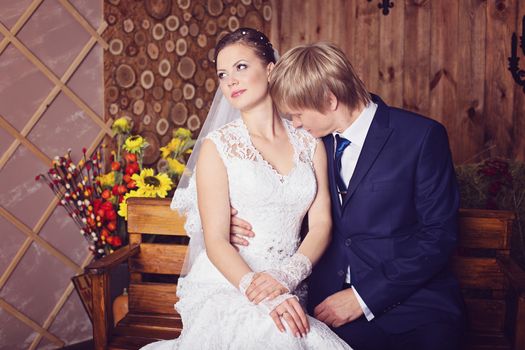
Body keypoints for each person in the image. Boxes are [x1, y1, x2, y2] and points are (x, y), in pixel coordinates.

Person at [231, 42, 465, 350]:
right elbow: (284, 200)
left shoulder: (420, 137)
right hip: (326, 306)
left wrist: (363, 298)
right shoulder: (308, 145)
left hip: (416, 305)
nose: (296, 124)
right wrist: (236, 222)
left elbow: (439, 235)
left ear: (329, 100)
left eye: (298, 114)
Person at [140, 29, 351, 349]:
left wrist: (286, 278)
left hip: (287, 282)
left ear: (270, 69)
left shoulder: (310, 143)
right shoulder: (218, 147)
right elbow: (215, 240)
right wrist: (260, 292)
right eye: (222, 74)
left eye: (240, 67)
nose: (230, 81)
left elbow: (322, 224)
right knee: (273, 333)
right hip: (228, 282)